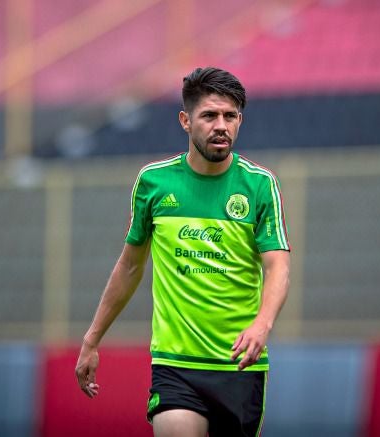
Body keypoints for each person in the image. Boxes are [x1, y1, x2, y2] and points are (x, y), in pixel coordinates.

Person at [75, 66, 290, 437]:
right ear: (185, 121)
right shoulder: (154, 183)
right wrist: (92, 339)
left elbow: (278, 267)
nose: (221, 125)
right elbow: (129, 267)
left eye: (230, 116)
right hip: (175, 366)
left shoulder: (259, 185)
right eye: (209, 115)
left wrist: (262, 324)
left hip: (239, 366)